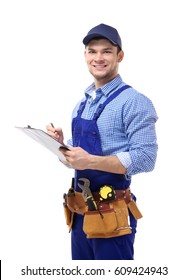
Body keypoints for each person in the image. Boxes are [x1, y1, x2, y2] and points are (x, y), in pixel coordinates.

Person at [46, 23, 158, 260]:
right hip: (80, 212)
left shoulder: (134, 102)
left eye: (106, 51)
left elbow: (146, 159)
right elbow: (78, 160)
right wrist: (61, 146)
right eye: (92, 51)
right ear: (85, 56)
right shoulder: (82, 104)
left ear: (120, 56)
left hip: (112, 214)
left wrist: (90, 160)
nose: (99, 57)